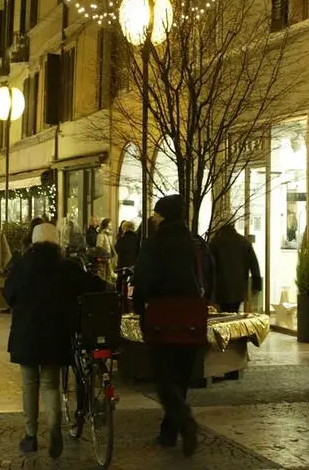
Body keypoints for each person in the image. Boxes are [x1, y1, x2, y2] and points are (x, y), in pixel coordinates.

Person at [4, 222, 104, 459]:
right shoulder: (66, 267)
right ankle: (55, 430)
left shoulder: (21, 266)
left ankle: (30, 436)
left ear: (34, 242)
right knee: (51, 384)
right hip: (55, 335)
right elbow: (94, 286)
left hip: (26, 335)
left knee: (30, 384)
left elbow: (9, 295)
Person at [133, 195, 201, 457]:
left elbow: (144, 280)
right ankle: (169, 432)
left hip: (163, 316)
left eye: (157, 214)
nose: (153, 218)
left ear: (164, 216)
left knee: (163, 377)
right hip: (192, 315)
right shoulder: (196, 243)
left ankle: (184, 421)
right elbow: (208, 274)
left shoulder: (154, 244)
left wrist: (140, 310)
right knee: (181, 377)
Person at [211, 223, 262, 313]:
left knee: (223, 314)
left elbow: (210, 265)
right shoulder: (244, 242)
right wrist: (256, 285)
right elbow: (254, 264)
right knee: (234, 311)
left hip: (221, 288)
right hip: (239, 287)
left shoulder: (216, 242)